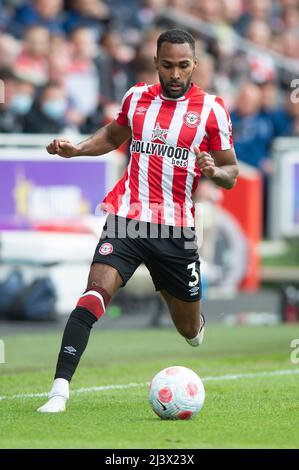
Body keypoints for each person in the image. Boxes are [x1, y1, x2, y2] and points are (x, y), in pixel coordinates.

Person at [37, 29, 239, 413]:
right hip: (128, 219)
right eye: (167, 66)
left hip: (176, 229)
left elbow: (231, 171)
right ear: (156, 63)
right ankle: (59, 391)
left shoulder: (212, 109)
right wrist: (76, 149)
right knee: (94, 292)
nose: (175, 74)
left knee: (187, 331)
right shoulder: (136, 98)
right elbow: (113, 136)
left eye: (183, 66)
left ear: (194, 65)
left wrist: (214, 170)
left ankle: (195, 325)